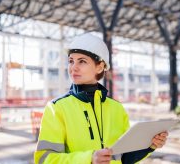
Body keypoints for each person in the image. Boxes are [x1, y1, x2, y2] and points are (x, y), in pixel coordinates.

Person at [34, 33, 168, 164]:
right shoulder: (56, 108)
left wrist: (149, 146)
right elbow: (44, 160)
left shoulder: (117, 108)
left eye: (82, 61)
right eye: (71, 61)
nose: (73, 67)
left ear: (100, 67)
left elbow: (123, 158)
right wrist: (89, 159)